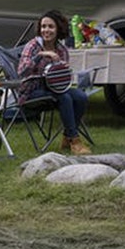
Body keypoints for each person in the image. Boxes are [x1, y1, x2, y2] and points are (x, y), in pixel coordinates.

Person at [17, 10, 91, 155]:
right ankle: (75, 140)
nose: (46, 30)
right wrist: (40, 56)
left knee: (81, 97)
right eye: (43, 26)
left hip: (55, 88)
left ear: (58, 29)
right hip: (32, 92)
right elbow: (22, 72)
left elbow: (62, 78)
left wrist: (63, 69)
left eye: (51, 27)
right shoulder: (33, 46)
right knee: (64, 97)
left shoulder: (61, 49)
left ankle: (67, 136)